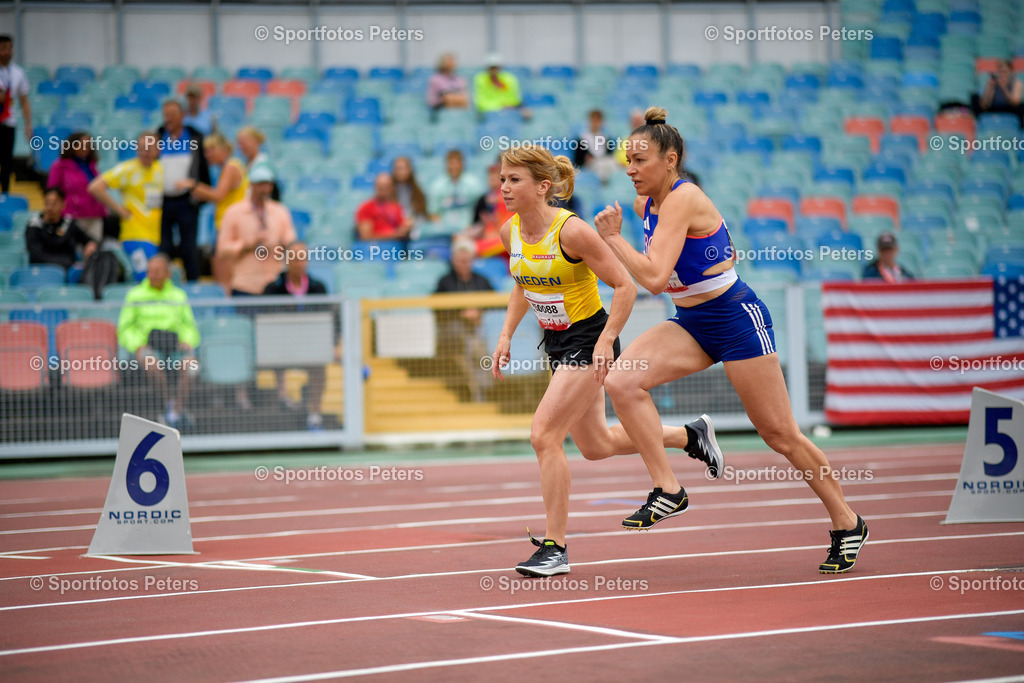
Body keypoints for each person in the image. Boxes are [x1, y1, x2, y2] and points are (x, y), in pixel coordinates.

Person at [594, 107, 867, 574]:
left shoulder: (683, 197)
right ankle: (669, 489)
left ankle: (848, 521)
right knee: (621, 383)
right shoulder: (649, 206)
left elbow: (655, 278)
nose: (630, 169)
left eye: (640, 160)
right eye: (627, 160)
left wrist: (614, 240)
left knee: (780, 435)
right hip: (692, 323)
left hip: (736, 319)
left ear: (671, 160)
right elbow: (681, 265)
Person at [491, 145, 722, 577]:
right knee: (595, 446)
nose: (504, 187)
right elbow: (523, 284)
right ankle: (689, 436)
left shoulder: (573, 232)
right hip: (557, 345)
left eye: (514, 180)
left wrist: (607, 340)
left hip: (589, 341)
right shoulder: (510, 233)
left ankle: (555, 548)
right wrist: (506, 335)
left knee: (543, 435)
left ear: (543, 187)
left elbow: (625, 285)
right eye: (502, 179)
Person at [117, 253, 200, 429]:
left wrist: (187, 340)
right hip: (150, 347)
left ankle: (175, 412)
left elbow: (190, 326)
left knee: (192, 367)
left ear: (168, 274)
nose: (152, 275)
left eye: (157, 272)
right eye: (150, 272)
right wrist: (138, 344)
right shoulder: (135, 295)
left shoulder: (178, 296)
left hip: (176, 347)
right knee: (151, 363)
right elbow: (125, 328)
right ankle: (170, 403)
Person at [263, 241, 329, 431]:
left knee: (320, 365)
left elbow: (327, 319)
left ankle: (315, 414)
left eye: (303, 258)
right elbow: (266, 322)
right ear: (286, 261)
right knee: (275, 356)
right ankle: (283, 398)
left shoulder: (318, 288)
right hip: (280, 346)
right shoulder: (273, 288)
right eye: (294, 258)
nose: (299, 262)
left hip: (311, 346)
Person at [88, 131, 164, 281]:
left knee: (155, 278)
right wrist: (119, 210)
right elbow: (95, 187)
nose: (146, 152)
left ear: (158, 149)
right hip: (134, 235)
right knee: (146, 277)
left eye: (150, 148)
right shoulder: (128, 169)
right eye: (143, 148)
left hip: (154, 236)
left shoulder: (159, 169)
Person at [178, 132, 248, 292]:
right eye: (206, 151)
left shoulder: (231, 167)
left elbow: (218, 195)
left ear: (224, 149)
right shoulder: (230, 166)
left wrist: (193, 186)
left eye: (211, 150)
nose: (207, 155)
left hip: (229, 227)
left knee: (224, 281)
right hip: (227, 225)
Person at [217, 162, 296, 297]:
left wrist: (280, 245)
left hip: (274, 284)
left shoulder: (280, 211)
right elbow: (222, 250)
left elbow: (292, 244)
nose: (264, 189)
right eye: (260, 184)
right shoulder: (234, 212)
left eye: (268, 184)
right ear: (251, 185)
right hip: (245, 285)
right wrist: (246, 245)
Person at [157, 98, 210, 282]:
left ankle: (193, 284)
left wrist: (200, 193)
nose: (168, 119)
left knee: (189, 247)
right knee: (164, 247)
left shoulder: (195, 136)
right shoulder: (158, 135)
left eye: (172, 115)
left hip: (187, 201)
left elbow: (202, 167)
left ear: (182, 116)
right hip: (163, 201)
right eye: (166, 115)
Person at [435, 237, 494, 401]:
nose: (464, 264)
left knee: (477, 345)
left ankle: (480, 389)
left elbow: (497, 305)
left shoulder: (482, 281)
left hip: (480, 329)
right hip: (455, 334)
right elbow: (437, 309)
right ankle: (482, 389)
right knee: (472, 346)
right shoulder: (445, 282)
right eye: (460, 261)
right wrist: (462, 314)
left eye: (467, 261)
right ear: (454, 261)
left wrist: (479, 314)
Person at [46, 131, 107, 242]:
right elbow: (53, 191)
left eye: (88, 145)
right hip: (72, 215)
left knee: (94, 248)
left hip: (94, 214)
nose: (85, 148)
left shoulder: (93, 166)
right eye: (81, 144)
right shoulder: (60, 166)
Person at [25, 187, 97, 270]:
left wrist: (90, 244)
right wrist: (62, 264)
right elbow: (36, 255)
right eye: (47, 203)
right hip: (42, 270)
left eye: (54, 203)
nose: (50, 208)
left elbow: (88, 240)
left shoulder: (68, 223)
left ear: (63, 204)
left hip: (67, 270)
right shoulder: (34, 225)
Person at [0, 34, 31, 194]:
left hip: (8, 122)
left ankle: (5, 194)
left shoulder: (18, 72)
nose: (7, 52)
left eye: (9, 48)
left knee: (6, 161)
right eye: (3, 48)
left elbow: (24, 101)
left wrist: (28, 125)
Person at [428, 148, 483, 233]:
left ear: (462, 164)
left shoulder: (473, 184)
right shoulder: (438, 185)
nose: (454, 167)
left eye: (456, 163)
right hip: (444, 231)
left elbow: (480, 209)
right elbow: (433, 212)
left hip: (468, 229)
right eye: (451, 163)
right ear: (446, 165)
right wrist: (441, 228)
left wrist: (472, 227)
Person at [466, 163, 513, 258]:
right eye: (490, 179)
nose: (493, 182)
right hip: (490, 237)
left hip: (501, 240)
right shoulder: (484, 199)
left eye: (496, 179)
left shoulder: (509, 198)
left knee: (466, 248)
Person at [355, 172, 413, 242]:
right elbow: (366, 236)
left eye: (386, 187)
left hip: (396, 246)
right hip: (376, 247)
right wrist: (394, 234)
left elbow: (402, 228)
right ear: (375, 187)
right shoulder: (366, 207)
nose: (383, 190)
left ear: (392, 188)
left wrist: (406, 228)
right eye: (380, 187)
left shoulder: (396, 207)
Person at [972, 59, 1024, 127]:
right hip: (994, 108)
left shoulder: (1016, 83)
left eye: (1005, 72)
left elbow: (1015, 103)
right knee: (975, 98)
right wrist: (991, 90)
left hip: (1009, 109)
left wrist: (1004, 89)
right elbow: (984, 105)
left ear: (1010, 72)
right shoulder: (992, 83)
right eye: (1000, 72)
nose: (1002, 74)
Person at [473, 54, 528, 118]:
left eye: (496, 67)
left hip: (509, 112)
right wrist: (501, 106)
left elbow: (515, 100)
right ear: (486, 68)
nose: (494, 70)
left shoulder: (510, 79)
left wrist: (509, 106)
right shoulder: (480, 79)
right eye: (492, 68)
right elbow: (480, 104)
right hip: (488, 114)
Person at [236, 126, 280, 201]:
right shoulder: (245, 164)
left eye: (244, 143)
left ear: (256, 141)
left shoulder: (264, 164)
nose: (241, 147)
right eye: (239, 143)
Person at [574, 109, 617, 183]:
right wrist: (585, 158)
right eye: (593, 120)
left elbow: (609, 154)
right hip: (589, 165)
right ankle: (601, 185)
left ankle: (615, 185)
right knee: (600, 165)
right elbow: (578, 159)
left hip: (603, 162)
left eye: (597, 121)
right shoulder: (582, 138)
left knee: (612, 162)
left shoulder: (605, 137)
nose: (595, 123)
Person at [426, 53, 469, 119]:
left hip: (458, 109)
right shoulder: (435, 79)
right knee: (449, 98)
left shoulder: (459, 80)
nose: (452, 63)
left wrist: (452, 98)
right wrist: (450, 98)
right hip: (439, 110)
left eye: (453, 61)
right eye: (449, 61)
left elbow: (464, 100)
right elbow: (436, 100)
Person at [391, 156, 429, 226]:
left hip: (414, 225)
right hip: (395, 227)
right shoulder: (388, 191)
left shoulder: (418, 192)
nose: (402, 172)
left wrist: (412, 222)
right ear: (394, 170)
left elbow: (423, 215)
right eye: (399, 169)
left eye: (405, 168)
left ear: (410, 170)